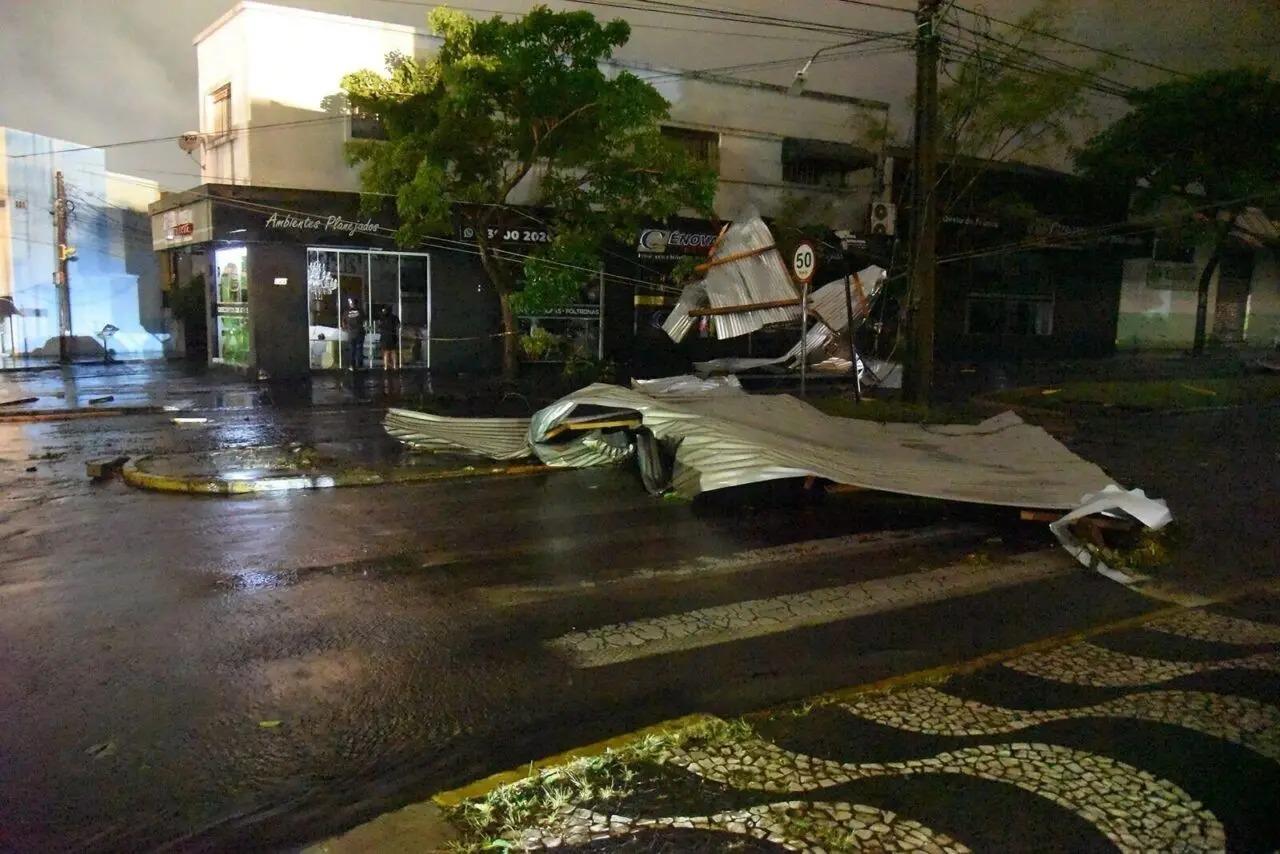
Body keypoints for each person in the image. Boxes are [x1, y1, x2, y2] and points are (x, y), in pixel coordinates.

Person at [343, 296, 365, 370]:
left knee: (352, 350)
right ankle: (359, 365)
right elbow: (364, 319)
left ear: (351, 304)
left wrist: (346, 328)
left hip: (351, 333)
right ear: (357, 303)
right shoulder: (360, 311)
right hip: (359, 332)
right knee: (359, 349)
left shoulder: (346, 312)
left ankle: (352, 365)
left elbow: (343, 322)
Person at [377, 305, 401, 371]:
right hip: (392, 336)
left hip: (384, 337)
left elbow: (378, 327)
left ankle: (386, 367)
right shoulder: (394, 317)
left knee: (386, 352)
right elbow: (398, 326)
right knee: (393, 351)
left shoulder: (381, 318)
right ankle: (394, 366)